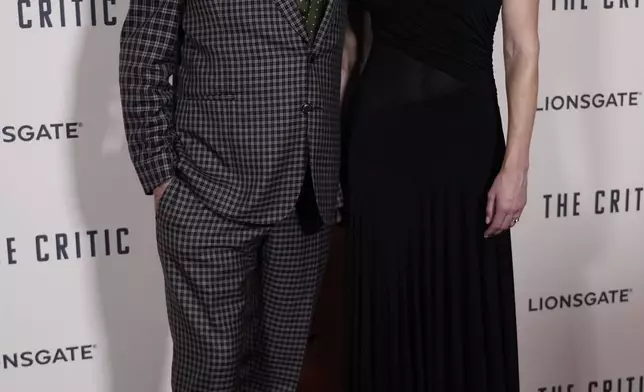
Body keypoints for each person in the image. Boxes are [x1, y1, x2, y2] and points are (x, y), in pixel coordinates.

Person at [118, 0, 350, 390]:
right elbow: (144, 59)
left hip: (308, 196)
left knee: (279, 375)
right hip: (207, 192)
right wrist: (162, 177)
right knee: (209, 376)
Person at [344, 0, 539, 390]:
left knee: (463, 308)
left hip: (467, 150)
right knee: (388, 308)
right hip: (379, 149)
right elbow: (351, 46)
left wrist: (516, 166)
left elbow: (522, 49)